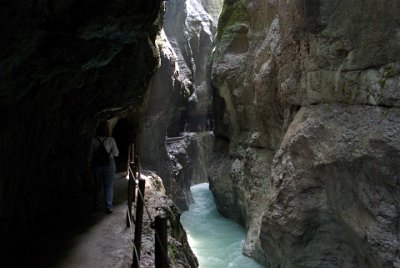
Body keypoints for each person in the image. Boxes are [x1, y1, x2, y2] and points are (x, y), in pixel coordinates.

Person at [87, 122, 119, 214]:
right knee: (108, 185)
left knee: (97, 185)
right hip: (109, 163)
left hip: (96, 164)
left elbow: (89, 155)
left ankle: (96, 204)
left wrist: (88, 167)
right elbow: (116, 153)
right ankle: (109, 206)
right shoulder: (111, 140)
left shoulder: (93, 140)